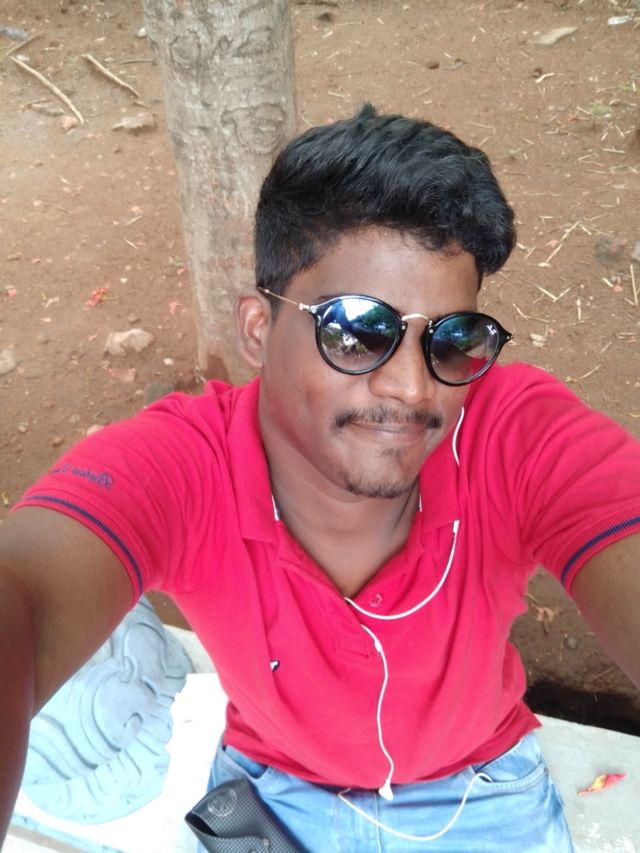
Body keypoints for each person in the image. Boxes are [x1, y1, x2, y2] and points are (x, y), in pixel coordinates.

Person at [1, 104, 639, 852]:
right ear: (258, 329)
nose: (413, 387)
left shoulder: (511, 431)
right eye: (357, 330)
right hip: (276, 791)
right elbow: (28, 591)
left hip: (483, 791)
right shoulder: (183, 465)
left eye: (452, 339)